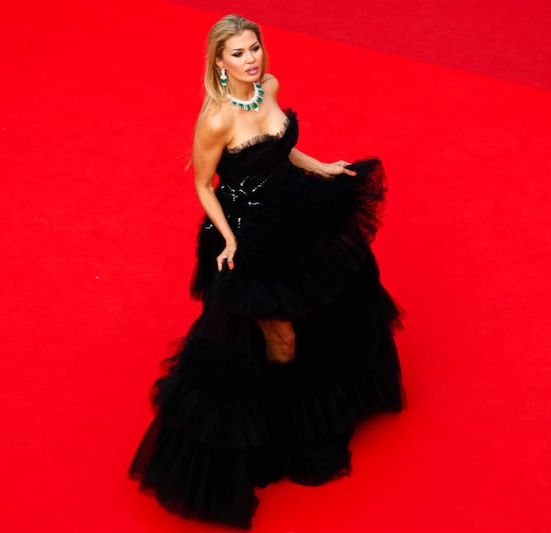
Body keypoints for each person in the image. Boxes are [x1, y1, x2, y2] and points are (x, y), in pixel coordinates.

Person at [129, 14, 405, 529]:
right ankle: (281, 436)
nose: (251, 60)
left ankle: (297, 416)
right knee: (280, 337)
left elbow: (280, 148)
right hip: (250, 237)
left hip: (293, 215)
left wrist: (321, 166)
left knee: (339, 290)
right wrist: (229, 237)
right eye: (238, 53)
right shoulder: (216, 120)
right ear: (218, 61)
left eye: (254, 48)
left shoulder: (269, 87)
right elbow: (204, 184)